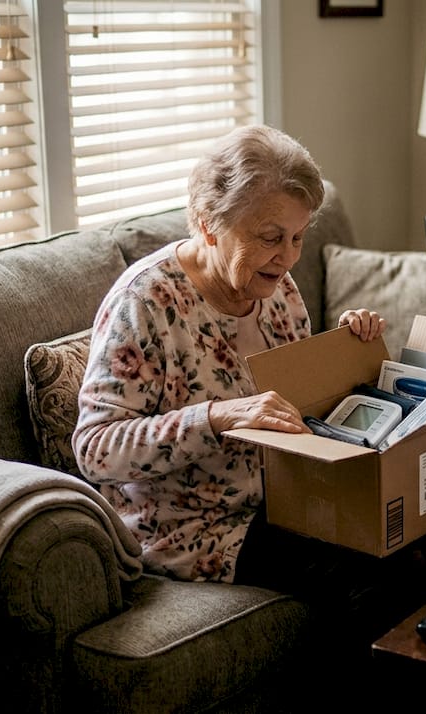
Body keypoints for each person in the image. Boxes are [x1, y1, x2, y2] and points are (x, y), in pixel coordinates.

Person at [73, 124, 386, 584]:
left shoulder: (277, 289)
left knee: (419, 522)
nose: (288, 258)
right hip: (192, 529)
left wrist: (343, 351)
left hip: (281, 500)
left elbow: (294, 407)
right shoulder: (144, 303)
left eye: (297, 237)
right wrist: (216, 417)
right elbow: (95, 449)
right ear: (208, 224)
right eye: (270, 237)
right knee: (359, 561)